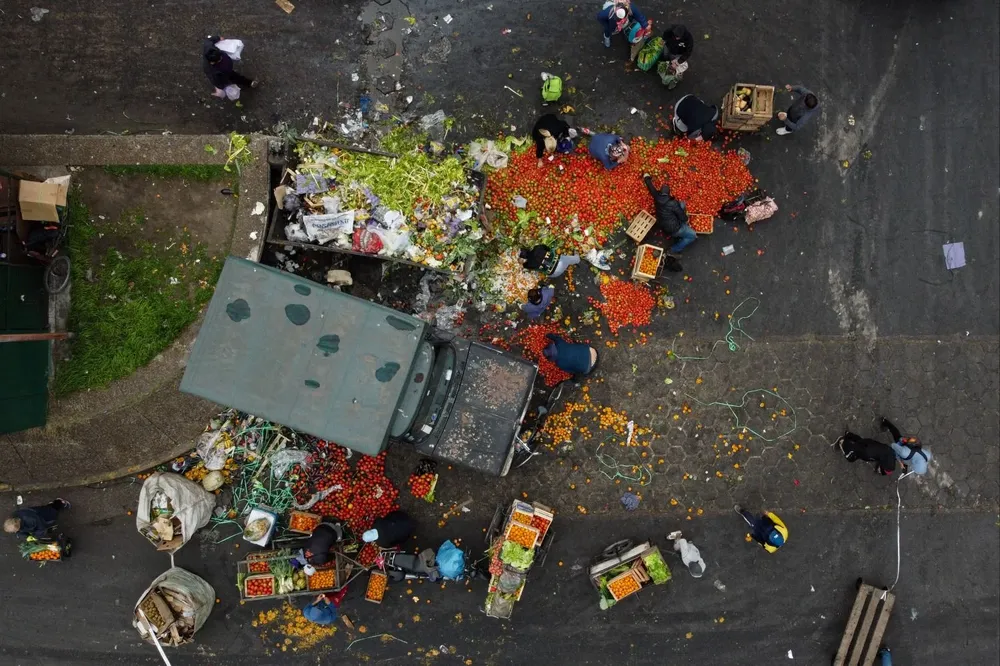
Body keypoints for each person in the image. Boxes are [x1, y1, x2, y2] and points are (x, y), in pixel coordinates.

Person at [642, 174, 698, 253]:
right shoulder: (672, 203)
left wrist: (646, 177)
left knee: (682, 204)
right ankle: (674, 249)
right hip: (674, 229)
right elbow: (682, 217)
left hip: (662, 223)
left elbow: (650, 186)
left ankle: (680, 231)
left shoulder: (656, 196)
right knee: (692, 235)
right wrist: (686, 219)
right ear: (669, 193)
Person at [203, 34, 257, 100]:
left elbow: (209, 40)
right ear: (212, 62)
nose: (221, 59)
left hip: (227, 69)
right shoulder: (212, 70)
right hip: (227, 73)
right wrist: (221, 87)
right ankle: (248, 83)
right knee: (234, 77)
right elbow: (216, 80)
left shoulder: (209, 48)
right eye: (219, 60)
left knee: (234, 76)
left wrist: (219, 38)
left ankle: (248, 82)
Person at [3, 498, 70, 537]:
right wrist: (26, 536)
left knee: (53, 513)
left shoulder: (30, 519)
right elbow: (20, 531)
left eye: (15, 531)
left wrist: (36, 536)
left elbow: (41, 527)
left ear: (18, 525)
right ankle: (50, 505)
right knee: (47, 508)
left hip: (43, 516)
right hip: (36, 512)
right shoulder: (14, 519)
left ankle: (59, 502)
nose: (15, 532)